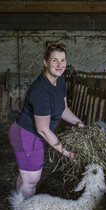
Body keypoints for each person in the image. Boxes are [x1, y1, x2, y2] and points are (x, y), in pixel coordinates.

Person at [8, 41, 85, 198]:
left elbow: (63, 109)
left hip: (34, 135)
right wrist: (65, 151)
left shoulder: (60, 81)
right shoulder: (41, 91)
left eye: (63, 60)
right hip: (26, 134)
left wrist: (78, 122)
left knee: (26, 177)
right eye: (54, 60)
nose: (59, 64)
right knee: (31, 180)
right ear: (45, 62)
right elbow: (43, 129)